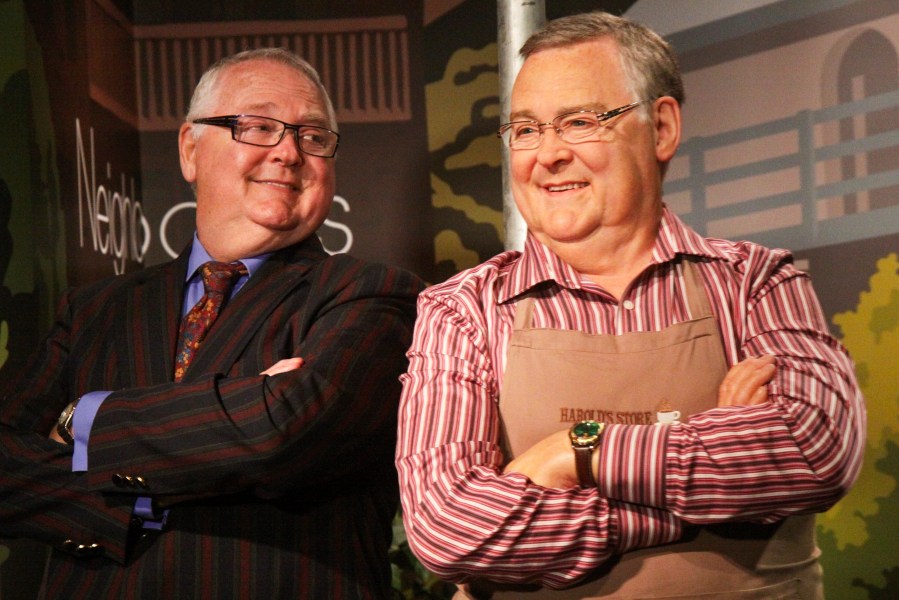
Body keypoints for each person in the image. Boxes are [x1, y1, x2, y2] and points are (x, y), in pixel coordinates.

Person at [396, 11, 865, 599]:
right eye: (526, 129)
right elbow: (448, 528)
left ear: (662, 127)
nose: (547, 155)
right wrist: (699, 501)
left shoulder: (753, 282)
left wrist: (578, 452)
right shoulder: (464, 311)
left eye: (579, 122)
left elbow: (815, 448)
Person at [0, 48, 424, 599]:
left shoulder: (373, 293)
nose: (290, 152)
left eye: (313, 136)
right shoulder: (94, 310)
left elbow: (283, 431)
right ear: (189, 149)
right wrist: (129, 505)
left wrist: (86, 418)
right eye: (259, 127)